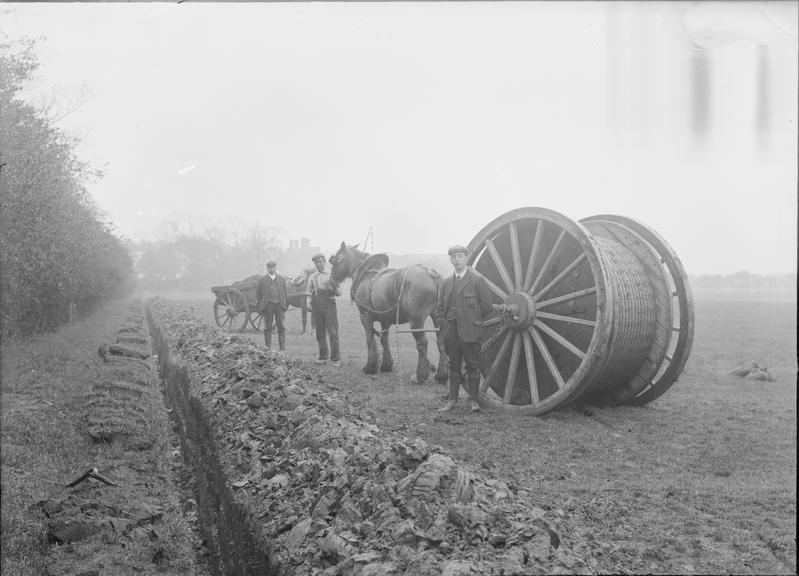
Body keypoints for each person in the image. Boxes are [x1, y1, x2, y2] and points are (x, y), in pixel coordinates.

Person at [435, 245, 494, 412]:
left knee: (472, 366)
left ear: (466, 259)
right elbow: (439, 308)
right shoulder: (446, 283)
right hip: (451, 332)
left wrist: (473, 318)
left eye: (460, 256)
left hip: (470, 331)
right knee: (453, 365)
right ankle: (452, 400)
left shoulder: (476, 280)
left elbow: (487, 306)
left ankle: (474, 401)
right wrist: (444, 323)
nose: (457, 260)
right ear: (451, 260)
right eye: (454, 257)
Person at [305, 253, 341, 367]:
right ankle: (323, 357)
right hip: (317, 306)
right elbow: (308, 293)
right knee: (320, 332)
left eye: (320, 262)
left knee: (333, 332)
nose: (318, 264)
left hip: (329, 305)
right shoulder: (312, 277)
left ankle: (336, 359)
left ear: (324, 262)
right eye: (316, 263)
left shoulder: (332, 275)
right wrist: (308, 303)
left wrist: (333, 288)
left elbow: (339, 293)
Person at [256, 260, 288, 351]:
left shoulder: (281, 279)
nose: (272, 269)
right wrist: (261, 306)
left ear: (276, 268)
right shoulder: (262, 280)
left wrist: (283, 304)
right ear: (267, 269)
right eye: (270, 267)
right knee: (268, 327)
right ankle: (268, 347)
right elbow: (258, 295)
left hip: (279, 305)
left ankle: (282, 348)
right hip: (268, 306)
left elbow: (285, 293)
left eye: (273, 267)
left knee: (281, 326)